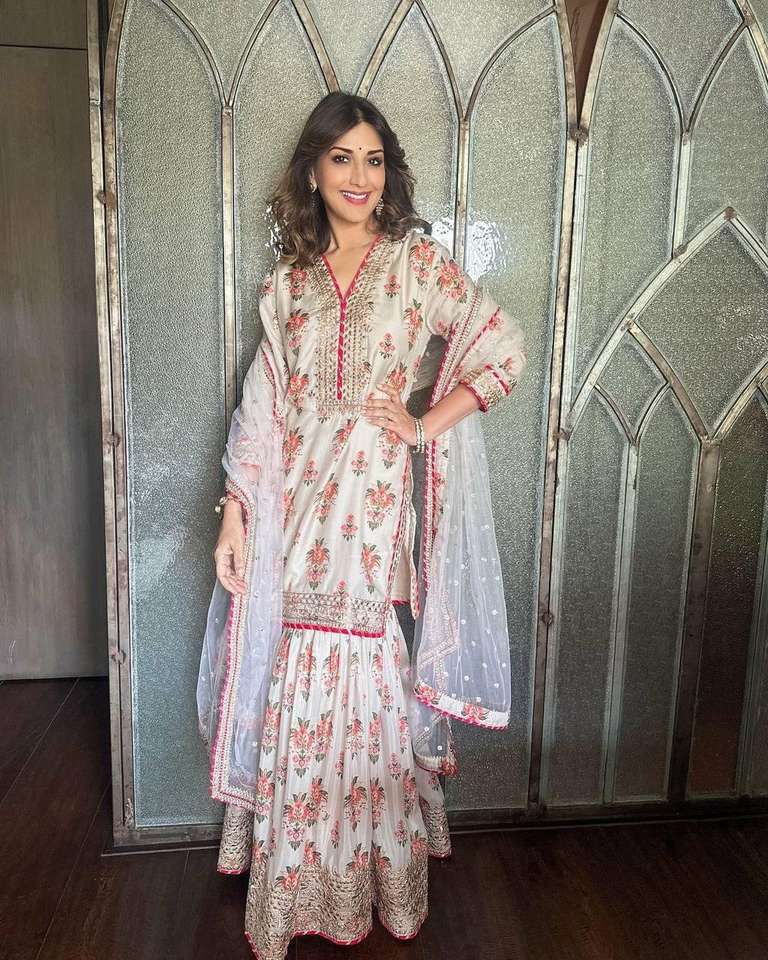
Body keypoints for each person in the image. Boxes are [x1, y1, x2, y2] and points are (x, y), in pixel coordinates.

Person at [196, 90, 527, 960]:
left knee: (365, 667)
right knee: (295, 664)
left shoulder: (417, 267)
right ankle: (296, 884)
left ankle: (372, 881)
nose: (359, 176)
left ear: (388, 174)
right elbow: (261, 413)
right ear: (312, 170)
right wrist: (234, 514)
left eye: (374, 160)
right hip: (293, 514)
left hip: (372, 511)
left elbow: (503, 350)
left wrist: (420, 424)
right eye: (341, 157)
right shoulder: (287, 288)